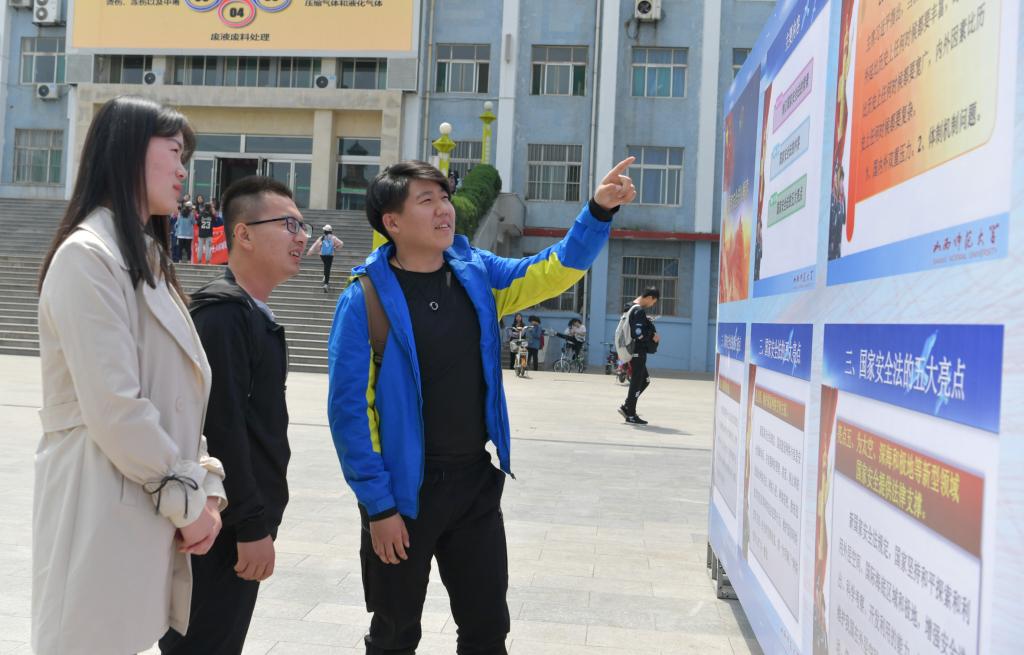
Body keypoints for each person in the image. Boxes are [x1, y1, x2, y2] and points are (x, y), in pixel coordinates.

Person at [327, 157, 636, 655]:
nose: (444, 209)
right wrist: (378, 507)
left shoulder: (477, 275)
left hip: (473, 485)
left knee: (488, 630)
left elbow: (551, 270)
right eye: (426, 200)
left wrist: (597, 212)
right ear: (392, 222)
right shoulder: (365, 299)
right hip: (402, 495)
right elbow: (350, 415)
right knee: (394, 633)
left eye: (445, 198)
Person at [33, 95, 226, 655]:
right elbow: (116, 406)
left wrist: (206, 490)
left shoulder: (143, 258)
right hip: (98, 503)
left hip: (140, 506)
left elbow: (177, 398)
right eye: (174, 152)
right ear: (127, 152)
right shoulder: (88, 256)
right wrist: (189, 502)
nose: (184, 170)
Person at [159, 176, 309, 654]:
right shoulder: (223, 316)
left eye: (303, 226)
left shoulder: (249, 313)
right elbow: (221, 429)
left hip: (233, 520)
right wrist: (250, 525)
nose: (301, 237)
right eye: (288, 225)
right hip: (219, 526)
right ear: (242, 234)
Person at [618, 287, 660, 425]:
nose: (652, 305)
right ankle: (630, 414)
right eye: (653, 302)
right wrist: (652, 337)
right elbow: (637, 333)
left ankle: (627, 406)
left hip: (633, 350)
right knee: (637, 382)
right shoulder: (639, 310)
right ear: (650, 297)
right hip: (637, 351)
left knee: (645, 381)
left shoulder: (630, 306)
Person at [306, 223, 345, 292]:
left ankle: (325, 276)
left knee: (326, 266)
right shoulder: (333, 238)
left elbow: (315, 245)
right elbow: (341, 243)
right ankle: (326, 284)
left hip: (322, 255)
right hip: (330, 255)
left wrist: (310, 252)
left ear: (325, 231)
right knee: (328, 268)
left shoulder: (322, 237)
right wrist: (335, 248)